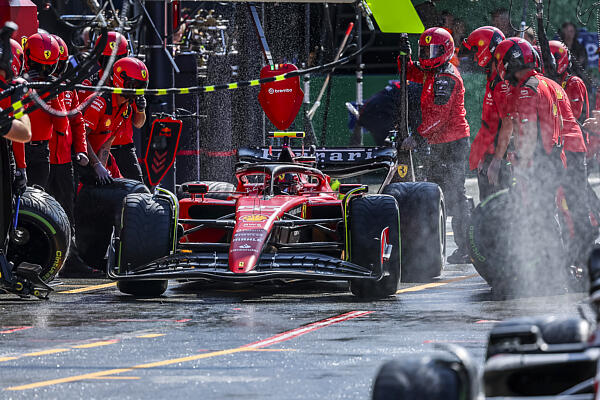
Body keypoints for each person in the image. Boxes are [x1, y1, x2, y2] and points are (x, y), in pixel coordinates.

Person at [398, 27, 471, 264]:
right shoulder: (431, 71)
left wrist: (416, 138)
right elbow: (407, 72)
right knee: (432, 192)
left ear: (446, 50)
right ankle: (428, 247)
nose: (427, 55)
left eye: (433, 50)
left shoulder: (446, 77)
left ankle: (468, 247)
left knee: (456, 196)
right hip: (437, 142)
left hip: (454, 143)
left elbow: (439, 117)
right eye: (424, 50)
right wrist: (403, 54)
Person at [494, 37, 565, 272]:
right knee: (546, 215)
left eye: (501, 61)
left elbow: (529, 130)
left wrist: (522, 162)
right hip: (552, 158)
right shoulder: (543, 83)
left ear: (510, 62)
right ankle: (553, 268)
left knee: (542, 216)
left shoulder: (527, 90)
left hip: (540, 163)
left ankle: (555, 272)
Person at [463, 26, 512, 200]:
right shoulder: (492, 77)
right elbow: (491, 124)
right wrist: (484, 156)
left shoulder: (501, 81)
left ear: (488, 48)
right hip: (490, 155)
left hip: (499, 158)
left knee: (497, 212)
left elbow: (508, 124)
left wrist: (497, 160)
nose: (475, 55)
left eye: (476, 50)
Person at [82, 57, 148, 184]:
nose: (137, 91)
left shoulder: (126, 108)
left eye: (141, 86)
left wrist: (101, 167)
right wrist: (96, 165)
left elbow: (107, 143)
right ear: (120, 80)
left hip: (97, 156)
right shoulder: (100, 102)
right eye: (133, 85)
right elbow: (81, 137)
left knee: (135, 186)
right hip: (79, 159)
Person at [46, 35, 88, 226]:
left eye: (61, 64)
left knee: (67, 207)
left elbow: (78, 122)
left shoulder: (70, 89)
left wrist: (81, 150)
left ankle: (70, 252)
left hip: (64, 160)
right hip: (40, 158)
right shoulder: (34, 88)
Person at [22, 32, 69, 189]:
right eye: (38, 67)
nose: (43, 73)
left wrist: (55, 96)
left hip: (42, 152)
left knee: (39, 196)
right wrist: (23, 85)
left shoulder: (55, 87)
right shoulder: (17, 83)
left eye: (48, 68)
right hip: (20, 148)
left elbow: (62, 127)